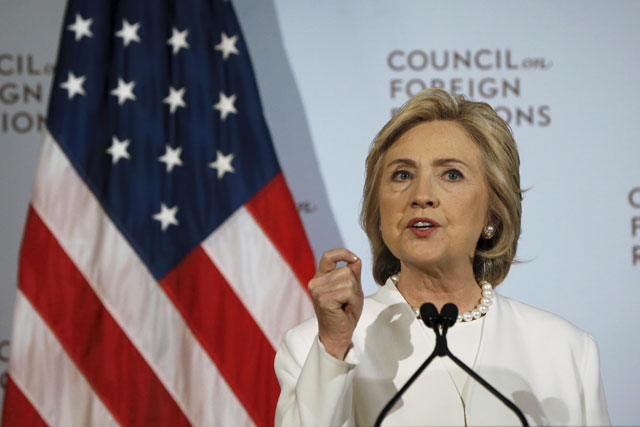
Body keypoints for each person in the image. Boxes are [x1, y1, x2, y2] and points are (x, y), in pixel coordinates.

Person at [274, 89, 610, 426]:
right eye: (402, 175)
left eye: (451, 174)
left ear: (493, 213)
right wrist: (333, 349)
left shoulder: (566, 350)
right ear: (379, 210)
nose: (421, 196)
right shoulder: (315, 349)